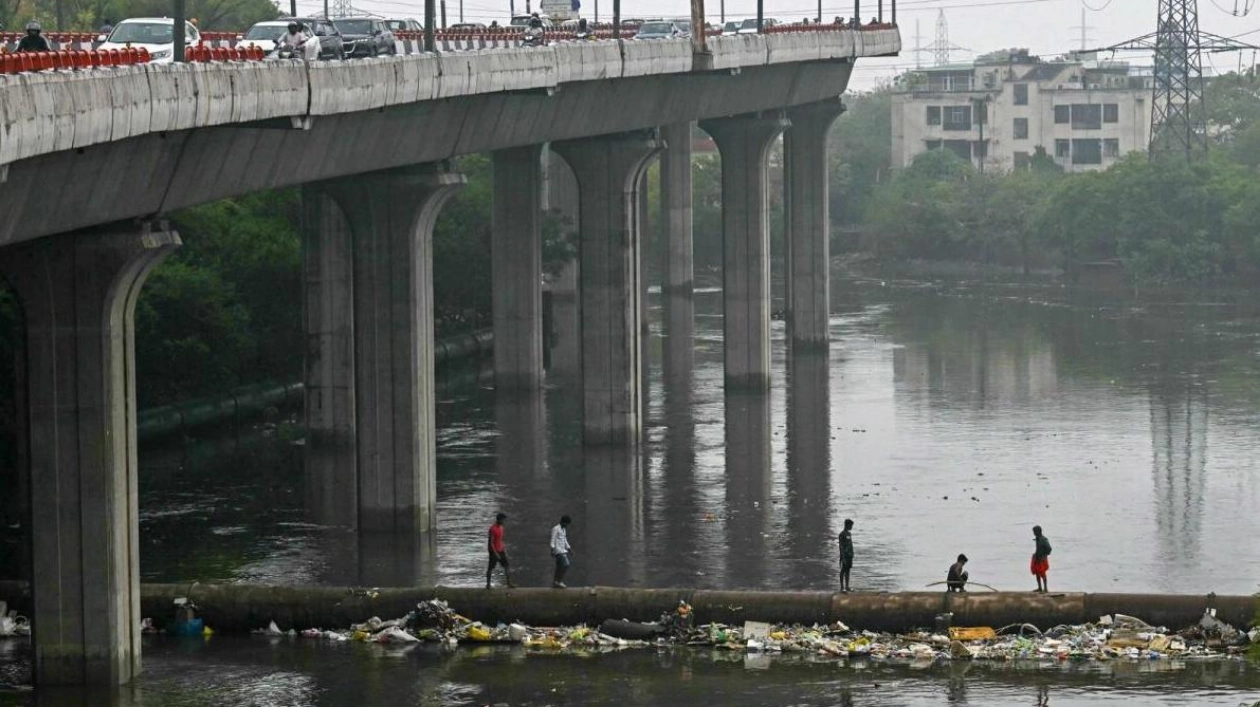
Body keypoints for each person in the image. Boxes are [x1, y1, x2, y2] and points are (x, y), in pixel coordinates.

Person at [485, 513, 514, 589]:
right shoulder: (492, 529)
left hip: (501, 550)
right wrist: (495, 553)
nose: (504, 521)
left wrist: (504, 550)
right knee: (490, 568)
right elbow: (491, 542)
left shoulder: (501, 528)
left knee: (507, 565)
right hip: (494, 551)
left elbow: (500, 540)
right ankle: (488, 584)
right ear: (499, 519)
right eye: (503, 520)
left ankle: (509, 583)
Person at [550, 515, 572, 588]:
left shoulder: (563, 529)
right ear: (563, 522)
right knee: (566, 564)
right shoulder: (556, 528)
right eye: (566, 524)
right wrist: (552, 549)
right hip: (558, 550)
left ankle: (556, 582)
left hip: (563, 550)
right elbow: (553, 539)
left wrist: (569, 549)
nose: (567, 526)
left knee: (560, 566)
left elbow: (564, 540)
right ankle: (558, 581)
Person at [1031, 525, 1052, 593]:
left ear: (1038, 532)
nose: (1033, 533)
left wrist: (1044, 555)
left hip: (1042, 558)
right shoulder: (1037, 538)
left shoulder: (1043, 539)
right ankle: (1040, 588)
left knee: (1042, 573)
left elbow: (1049, 548)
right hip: (1037, 558)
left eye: (1034, 532)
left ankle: (1045, 589)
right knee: (1037, 572)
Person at [837, 518, 855, 593]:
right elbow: (841, 546)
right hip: (844, 555)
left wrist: (852, 553)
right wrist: (842, 556)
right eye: (851, 525)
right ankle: (842, 587)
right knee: (843, 570)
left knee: (848, 570)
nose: (851, 527)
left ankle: (847, 586)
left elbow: (850, 544)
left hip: (849, 555)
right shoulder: (842, 534)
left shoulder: (849, 534)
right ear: (847, 525)